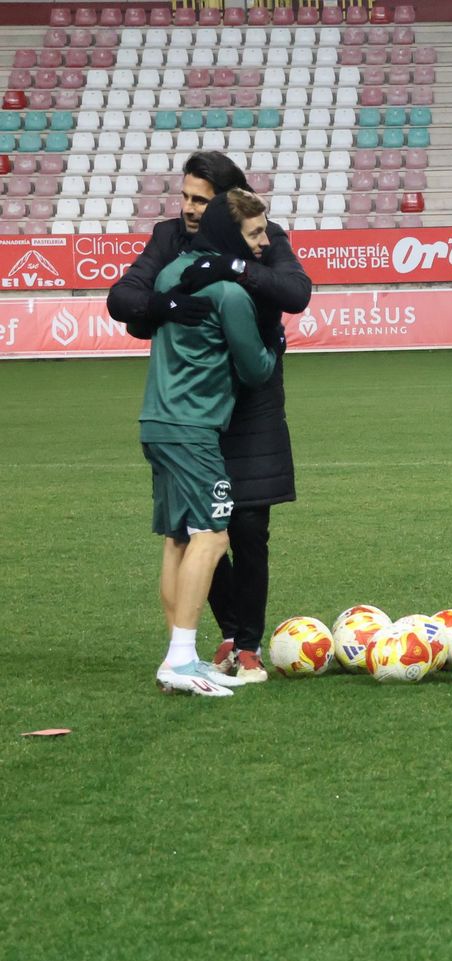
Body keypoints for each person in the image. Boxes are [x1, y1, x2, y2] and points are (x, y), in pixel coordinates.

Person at [109, 151, 311, 681]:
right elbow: (124, 302)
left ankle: (245, 644)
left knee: (243, 526)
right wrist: (167, 307)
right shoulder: (170, 240)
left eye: (201, 199)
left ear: (226, 200)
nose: (189, 208)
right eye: (186, 196)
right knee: (207, 531)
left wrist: (237, 264)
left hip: (246, 410)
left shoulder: (261, 236)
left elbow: (296, 291)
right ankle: (212, 642)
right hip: (205, 403)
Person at [140, 190, 280, 696]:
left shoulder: (170, 273)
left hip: (155, 421)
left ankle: (180, 656)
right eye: (255, 234)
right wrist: (275, 340)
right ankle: (179, 660)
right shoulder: (230, 293)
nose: (264, 242)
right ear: (228, 236)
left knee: (178, 537)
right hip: (194, 429)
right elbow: (256, 369)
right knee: (214, 536)